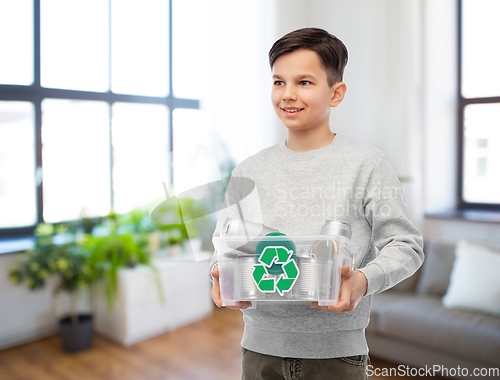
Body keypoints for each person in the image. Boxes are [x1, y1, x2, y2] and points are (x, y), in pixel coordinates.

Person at [208, 27, 424, 380]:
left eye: (304, 82)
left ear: (336, 93)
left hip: (337, 356)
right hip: (259, 351)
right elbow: (224, 243)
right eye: (279, 82)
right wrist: (219, 274)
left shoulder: (367, 164)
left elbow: (407, 245)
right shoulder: (249, 170)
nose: (288, 94)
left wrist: (362, 281)